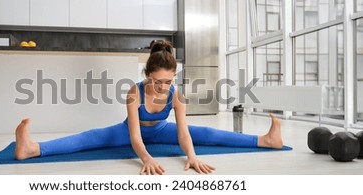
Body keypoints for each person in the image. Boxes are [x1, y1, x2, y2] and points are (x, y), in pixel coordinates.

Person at [14, 40, 283, 175]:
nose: (164, 87)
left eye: (169, 81)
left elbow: (184, 133)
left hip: (162, 130)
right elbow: (134, 137)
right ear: (147, 76)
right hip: (130, 132)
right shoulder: (135, 93)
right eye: (158, 81)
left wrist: (190, 155)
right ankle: (33, 148)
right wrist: (146, 158)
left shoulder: (176, 95)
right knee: (90, 138)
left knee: (205, 133)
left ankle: (265, 140)